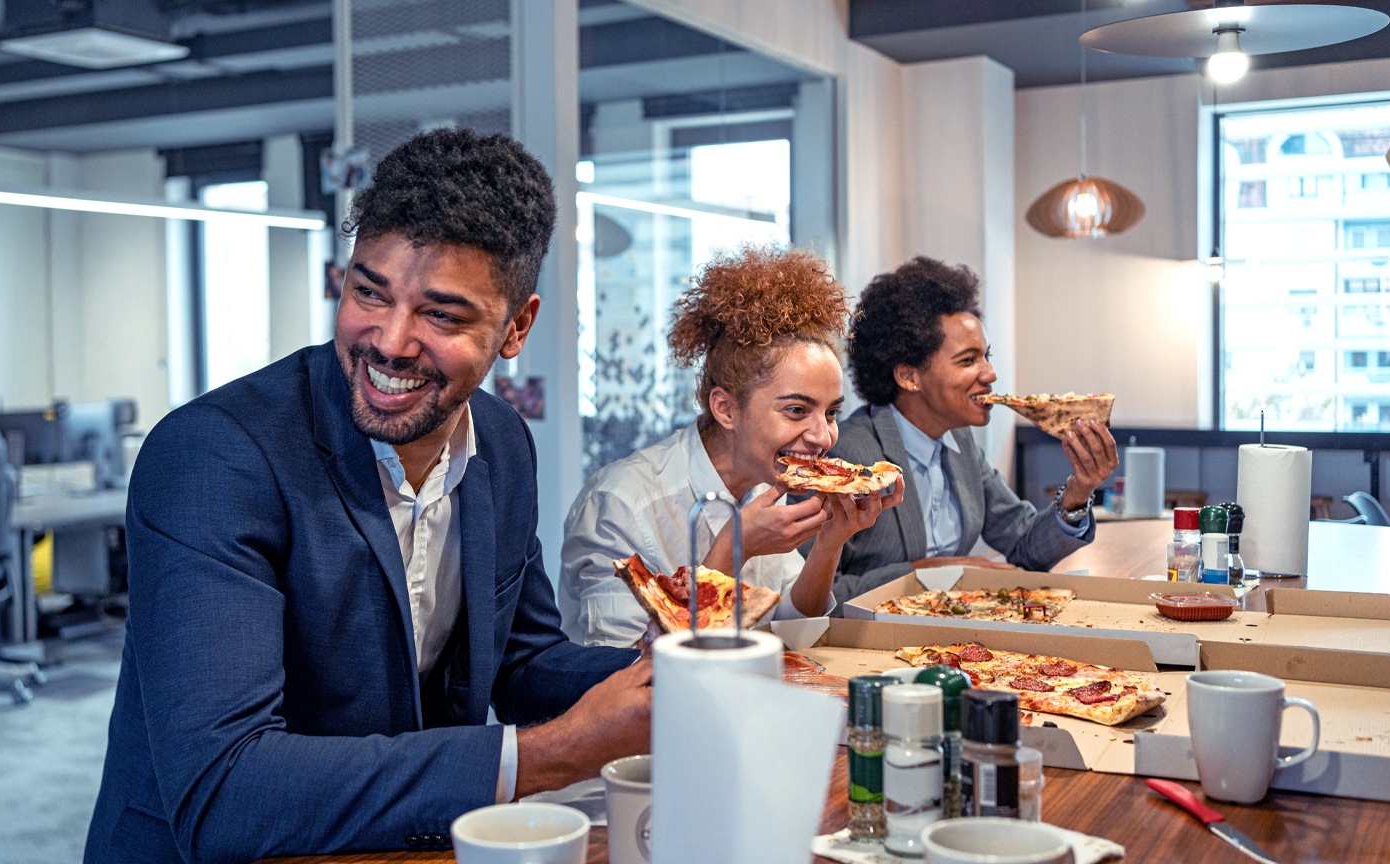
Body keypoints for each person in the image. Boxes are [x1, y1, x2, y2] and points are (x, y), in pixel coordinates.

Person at [85, 128, 650, 864]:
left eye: (442, 314)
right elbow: (225, 791)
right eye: (367, 291)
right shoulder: (213, 457)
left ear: (517, 327)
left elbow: (520, 663)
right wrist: (550, 755)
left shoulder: (503, 446)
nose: (388, 340)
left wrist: (661, 676)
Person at [560, 244, 904, 647]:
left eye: (831, 413)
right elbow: (626, 673)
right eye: (796, 410)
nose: (824, 436)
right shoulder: (619, 505)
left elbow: (790, 630)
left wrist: (830, 544)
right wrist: (733, 548)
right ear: (725, 408)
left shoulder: (762, 484)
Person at [827, 256, 1118, 605]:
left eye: (986, 356)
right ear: (909, 376)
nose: (990, 373)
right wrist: (933, 572)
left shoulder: (961, 444)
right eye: (968, 360)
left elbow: (1024, 545)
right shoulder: (844, 455)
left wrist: (1077, 491)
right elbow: (817, 594)